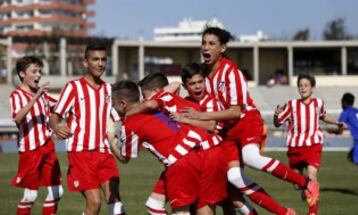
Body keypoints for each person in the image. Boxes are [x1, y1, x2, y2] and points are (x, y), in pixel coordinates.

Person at [183, 26, 319, 213]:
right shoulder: (205, 74)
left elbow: (236, 111)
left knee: (251, 158)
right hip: (227, 131)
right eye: (204, 43)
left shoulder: (231, 72)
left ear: (222, 48)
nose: (206, 48)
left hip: (246, 121)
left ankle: (306, 183)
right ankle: (285, 212)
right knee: (234, 177)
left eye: (211, 44)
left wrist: (201, 115)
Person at [138, 70, 293, 215]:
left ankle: (284, 211)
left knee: (231, 198)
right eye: (192, 84)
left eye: (200, 82)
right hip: (197, 158)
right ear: (186, 86)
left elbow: (212, 125)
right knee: (227, 199)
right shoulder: (182, 102)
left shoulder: (211, 101)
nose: (197, 86)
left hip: (215, 154)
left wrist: (187, 118)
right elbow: (176, 86)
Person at [110, 80, 226, 215]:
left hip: (181, 162)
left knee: (183, 212)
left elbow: (125, 157)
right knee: (154, 205)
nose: (112, 107)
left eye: (113, 104)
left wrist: (111, 139)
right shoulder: (155, 104)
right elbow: (174, 85)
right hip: (199, 151)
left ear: (123, 104)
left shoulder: (130, 124)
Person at [50, 42, 125, 215]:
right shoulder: (73, 88)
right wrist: (56, 127)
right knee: (95, 203)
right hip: (80, 153)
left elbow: (114, 120)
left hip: (104, 153)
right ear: (85, 62)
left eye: (104, 59)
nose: (100, 64)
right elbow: (55, 116)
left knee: (115, 200)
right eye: (95, 59)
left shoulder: (109, 89)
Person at [273, 73, 343, 215]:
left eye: (306, 85)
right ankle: (304, 190)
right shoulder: (291, 105)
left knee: (312, 177)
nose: (303, 88)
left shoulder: (318, 103)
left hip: (313, 144)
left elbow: (323, 116)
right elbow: (277, 123)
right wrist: (276, 115)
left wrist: (336, 122)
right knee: (296, 184)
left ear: (312, 88)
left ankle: (312, 213)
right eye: (300, 86)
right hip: (295, 147)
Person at [9, 56, 63, 215]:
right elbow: (17, 118)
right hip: (30, 150)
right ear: (22, 74)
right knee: (30, 195)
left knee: (57, 192)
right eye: (34, 71)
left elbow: (61, 105)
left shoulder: (44, 96)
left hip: (48, 146)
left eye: (39, 71)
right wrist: (35, 97)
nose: (38, 75)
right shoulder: (17, 95)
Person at [334, 92, 358, 173]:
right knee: (352, 157)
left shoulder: (345, 113)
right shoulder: (357, 111)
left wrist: (332, 131)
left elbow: (340, 130)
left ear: (344, 102)